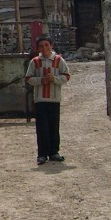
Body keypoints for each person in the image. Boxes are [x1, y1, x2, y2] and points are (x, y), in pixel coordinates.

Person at [24, 34, 71, 165]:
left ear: (51, 45)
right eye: (41, 46)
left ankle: (54, 152)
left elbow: (67, 76)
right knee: (41, 127)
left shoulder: (58, 60)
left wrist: (54, 79)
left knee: (54, 126)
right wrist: (41, 81)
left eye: (46, 45)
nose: (44, 48)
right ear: (38, 48)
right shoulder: (35, 62)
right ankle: (42, 154)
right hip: (40, 100)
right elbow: (28, 79)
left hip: (54, 99)